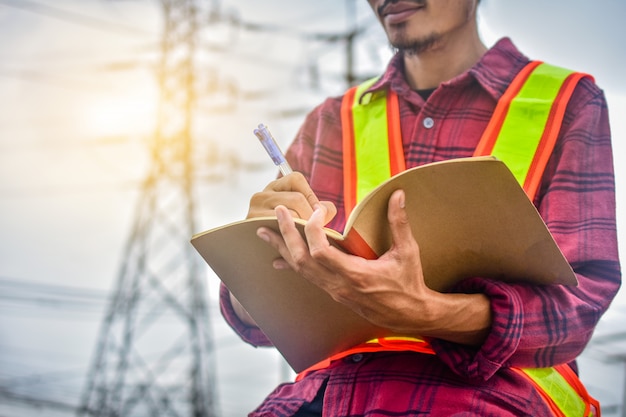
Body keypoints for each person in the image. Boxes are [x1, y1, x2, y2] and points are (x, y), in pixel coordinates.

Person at [219, 0, 621, 415]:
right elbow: (257, 322)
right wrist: (255, 265)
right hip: (323, 399)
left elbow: (580, 305)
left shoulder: (567, 103)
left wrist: (430, 312)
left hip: (492, 399)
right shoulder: (331, 120)